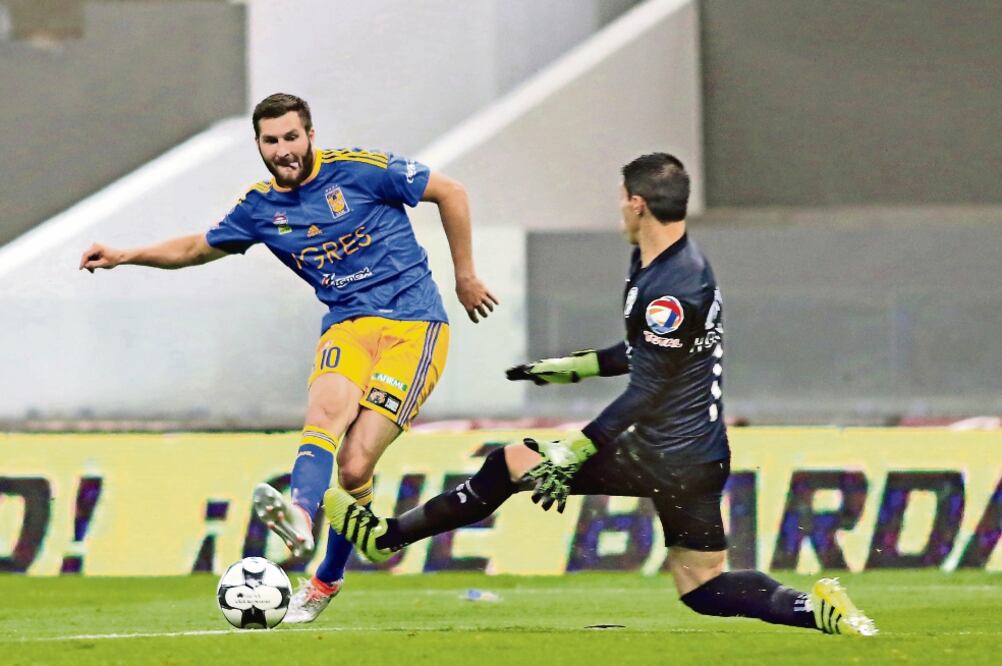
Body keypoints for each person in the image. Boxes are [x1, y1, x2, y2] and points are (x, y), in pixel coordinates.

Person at [323, 152, 877, 637]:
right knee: (703, 586)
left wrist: (576, 451)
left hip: (664, 452)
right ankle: (812, 607)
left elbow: (647, 388)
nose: (617, 210)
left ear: (638, 204)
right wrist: (576, 368)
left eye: (620, 200)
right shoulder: (663, 265)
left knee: (511, 462)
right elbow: (648, 354)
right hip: (700, 455)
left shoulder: (674, 286)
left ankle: (387, 538)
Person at [79, 93, 499, 623]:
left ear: (310, 135)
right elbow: (194, 249)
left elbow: (451, 192)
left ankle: (326, 579)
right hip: (347, 326)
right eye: (271, 141)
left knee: (354, 467)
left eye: (291, 138)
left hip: (413, 328)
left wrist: (465, 276)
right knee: (324, 415)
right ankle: (300, 513)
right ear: (259, 145)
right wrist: (124, 255)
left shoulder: (361, 171)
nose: (284, 150)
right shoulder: (260, 208)